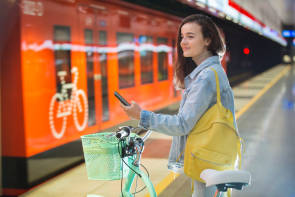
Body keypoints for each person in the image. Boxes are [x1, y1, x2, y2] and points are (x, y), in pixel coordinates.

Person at [120, 14, 237, 197]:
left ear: (208, 40)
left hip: (207, 159)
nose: (183, 42)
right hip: (214, 156)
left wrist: (141, 115)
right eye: (182, 37)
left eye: (191, 36)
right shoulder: (210, 72)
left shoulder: (206, 77)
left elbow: (182, 124)